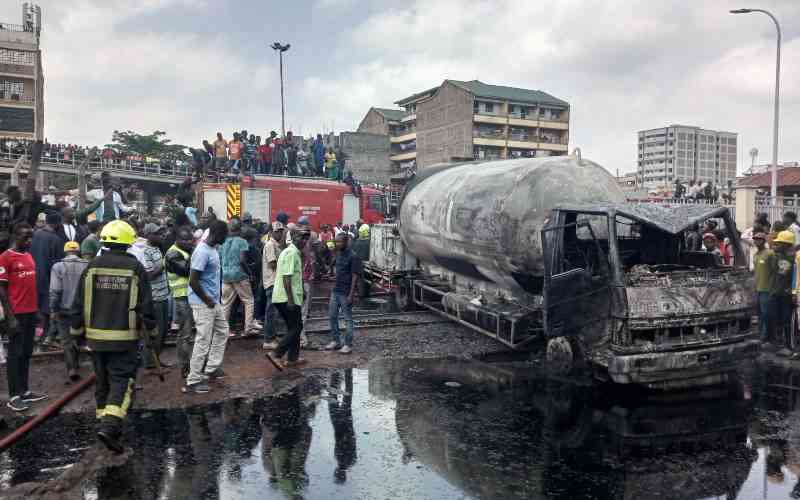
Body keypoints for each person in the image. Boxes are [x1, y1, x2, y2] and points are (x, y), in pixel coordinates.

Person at [69, 220, 155, 453]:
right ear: (128, 241)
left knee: (102, 381)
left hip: (95, 340)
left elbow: (78, 304)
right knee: (122, 381)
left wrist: (76, 334)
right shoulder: (135, 268)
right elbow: (146, 306)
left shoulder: (92, 266)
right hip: (124, 339)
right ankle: (110, 427)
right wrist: (153, 332)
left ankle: (102, 422)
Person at [0, 223, 48, 412]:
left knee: (27, 353)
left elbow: (30, 286)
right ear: (14, 236)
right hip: (16, 314)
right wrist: (10, 318)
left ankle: (24, 390)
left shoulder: (28, 256)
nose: (29, 241)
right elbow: (2, 291)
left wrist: (36, 312)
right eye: (25, 237)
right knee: (15, 354)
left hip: (30, 312)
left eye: (31, 237)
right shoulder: (5, 258)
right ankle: (14, 396)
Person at [185, 220, 229, 394]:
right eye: (224, 236)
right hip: (202, 301)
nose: (226, 238)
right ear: (217, 235)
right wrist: (208, 300)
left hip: (211, 300)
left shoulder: (212, 249)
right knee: (203, 339)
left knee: (223, 331)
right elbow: (193, 281)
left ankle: (211, 368)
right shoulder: (202, 251)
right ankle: (193, 379)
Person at [265, 228, 310, 368]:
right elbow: (287, 277)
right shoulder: (291, 253)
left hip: (284, 296)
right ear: (293, 237)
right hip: (286, 297)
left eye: (305, 238)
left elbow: (295, 276)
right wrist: (291, 299)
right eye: (301, 237)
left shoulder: (291, 252)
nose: (303, 241)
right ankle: (276, 354)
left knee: (294, 327)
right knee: (296, 327)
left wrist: (301, 291)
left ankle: (292, 358)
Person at [50, 241, 89, 382]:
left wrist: (53, 309)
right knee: (79, 335)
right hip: (82, 309)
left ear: (65, 252)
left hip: (64, 309)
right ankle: (78, 362)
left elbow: (55, 290)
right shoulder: (87, 265)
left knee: (66, 339)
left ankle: (72, 367)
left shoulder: (58, 267)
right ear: (78, 251)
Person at [31, 212, 65, 346]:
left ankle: (34, 336)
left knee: (35, 307)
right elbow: (57, 263)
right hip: (48, 278)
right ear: (57, 224)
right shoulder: (55, 239)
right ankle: (45, 337)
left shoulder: (35, 234)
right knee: (47, 309)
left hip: (32, 276)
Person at [324, 233, 362, 354]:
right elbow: (334, 268)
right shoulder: (338, 253)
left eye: (339, 242)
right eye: (336, 242)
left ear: (345, 242)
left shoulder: (353, 256)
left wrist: (351, 294)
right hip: (336, 290)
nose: (337, 244)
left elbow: (355, 276)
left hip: (346, 292)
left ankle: (348, 344)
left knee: (347, 319)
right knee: (332, 316)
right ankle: (336, 341)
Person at [165, 227, 195, 379]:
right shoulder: (172, 254)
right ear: (177, 239)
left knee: (189, 333)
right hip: (182, 297)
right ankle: (185, 366)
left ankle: (190, 364)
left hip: (189, 296)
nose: (189, 242)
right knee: (185, 333)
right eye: (185, 239)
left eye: (190, 239)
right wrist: (193, 253)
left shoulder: (183, 251)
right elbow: (186, 271)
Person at [141, 223, 171, 372]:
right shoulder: (145, 251)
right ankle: (151, 364)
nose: (161, 236)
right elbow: (149, 275)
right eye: (157, 234)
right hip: (155, 297)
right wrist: (164, 264)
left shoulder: (157, 249)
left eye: (161, 233)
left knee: (164, 330)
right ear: (148, 235)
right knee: (156, 332)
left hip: (164, 295)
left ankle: (157, 359)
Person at [220, 219, 257, 335]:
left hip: (226, 276)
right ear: (240, 229)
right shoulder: (242, 242)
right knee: (249, 301)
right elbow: (242, 260)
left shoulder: (222, 242)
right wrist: (250, 273)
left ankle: (223, 330)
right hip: (240, 275)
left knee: (226, 304)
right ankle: (248, 329)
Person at [262, 221, 285, 350]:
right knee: (270, 311)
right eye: (277, 231)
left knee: (273, 311)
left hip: (274, 281)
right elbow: (272, 264)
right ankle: (268, 340)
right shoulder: (270, 245)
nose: (279, 233)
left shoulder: (275, 244)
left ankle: (272, 335)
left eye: (281, 231)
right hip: (272, 281)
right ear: (271, 232)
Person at [772, 231, 796, 356]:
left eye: (780, 243)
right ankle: (781, 344)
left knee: (787, 320)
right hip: (778, 293)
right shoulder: (778, 257)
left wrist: (793, 293)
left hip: (787, 295)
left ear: (786, 244)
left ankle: (789, 346)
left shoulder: (794, 259)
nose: (777, 245)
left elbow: (795, 278)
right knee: (779, 320)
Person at [753, 233, 776, 344]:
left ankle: (767, 336)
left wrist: (773, 288)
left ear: (764, 240)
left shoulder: (770, 254)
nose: (756, 241)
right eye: (755, 239)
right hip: (757, 289)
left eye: (759, 239)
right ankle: (761, 334)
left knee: (766, 313)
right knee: (760, 314)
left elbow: (775, 271)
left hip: (767, 289)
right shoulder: (756, 254)